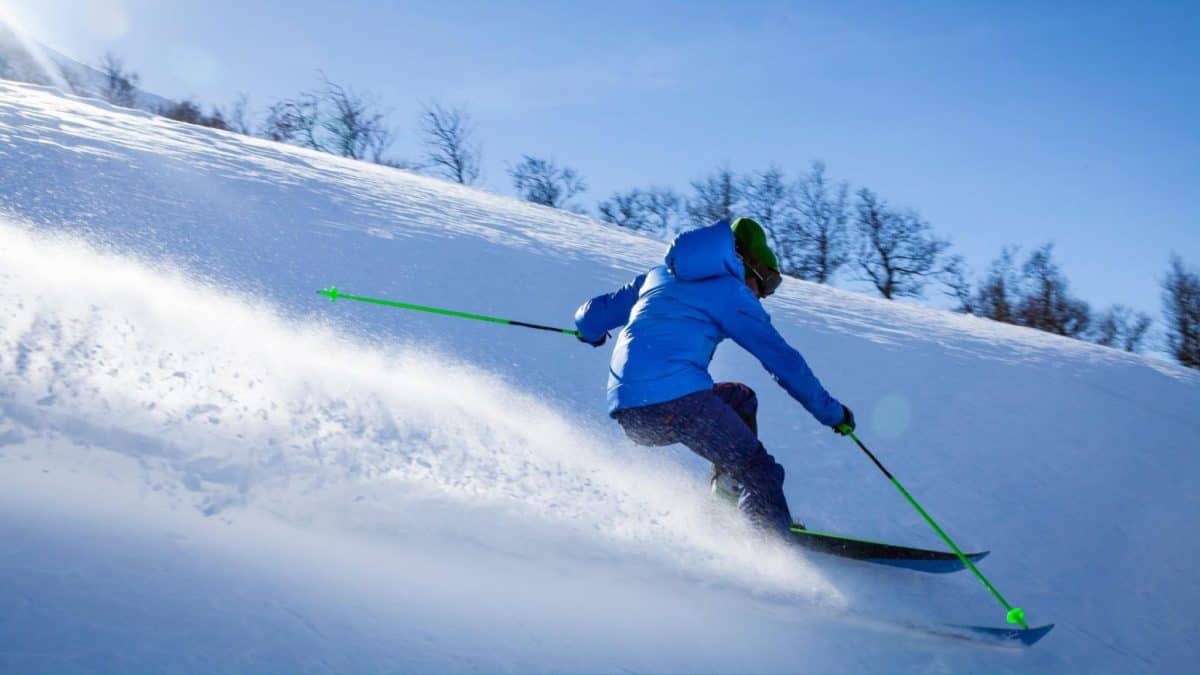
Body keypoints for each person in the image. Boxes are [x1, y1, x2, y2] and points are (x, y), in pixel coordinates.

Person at [574, 217, 854, 537]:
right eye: (768, 282)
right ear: (748, 264)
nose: (764, 295)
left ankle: (726, 503)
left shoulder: (658, 276)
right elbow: (783, 361)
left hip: (631, 413)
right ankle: (767, 542)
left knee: (740, 399)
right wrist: (832, 413)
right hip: (677, 402)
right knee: (758, 470)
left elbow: (591, 316)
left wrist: (591, 334)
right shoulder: (730, 293)